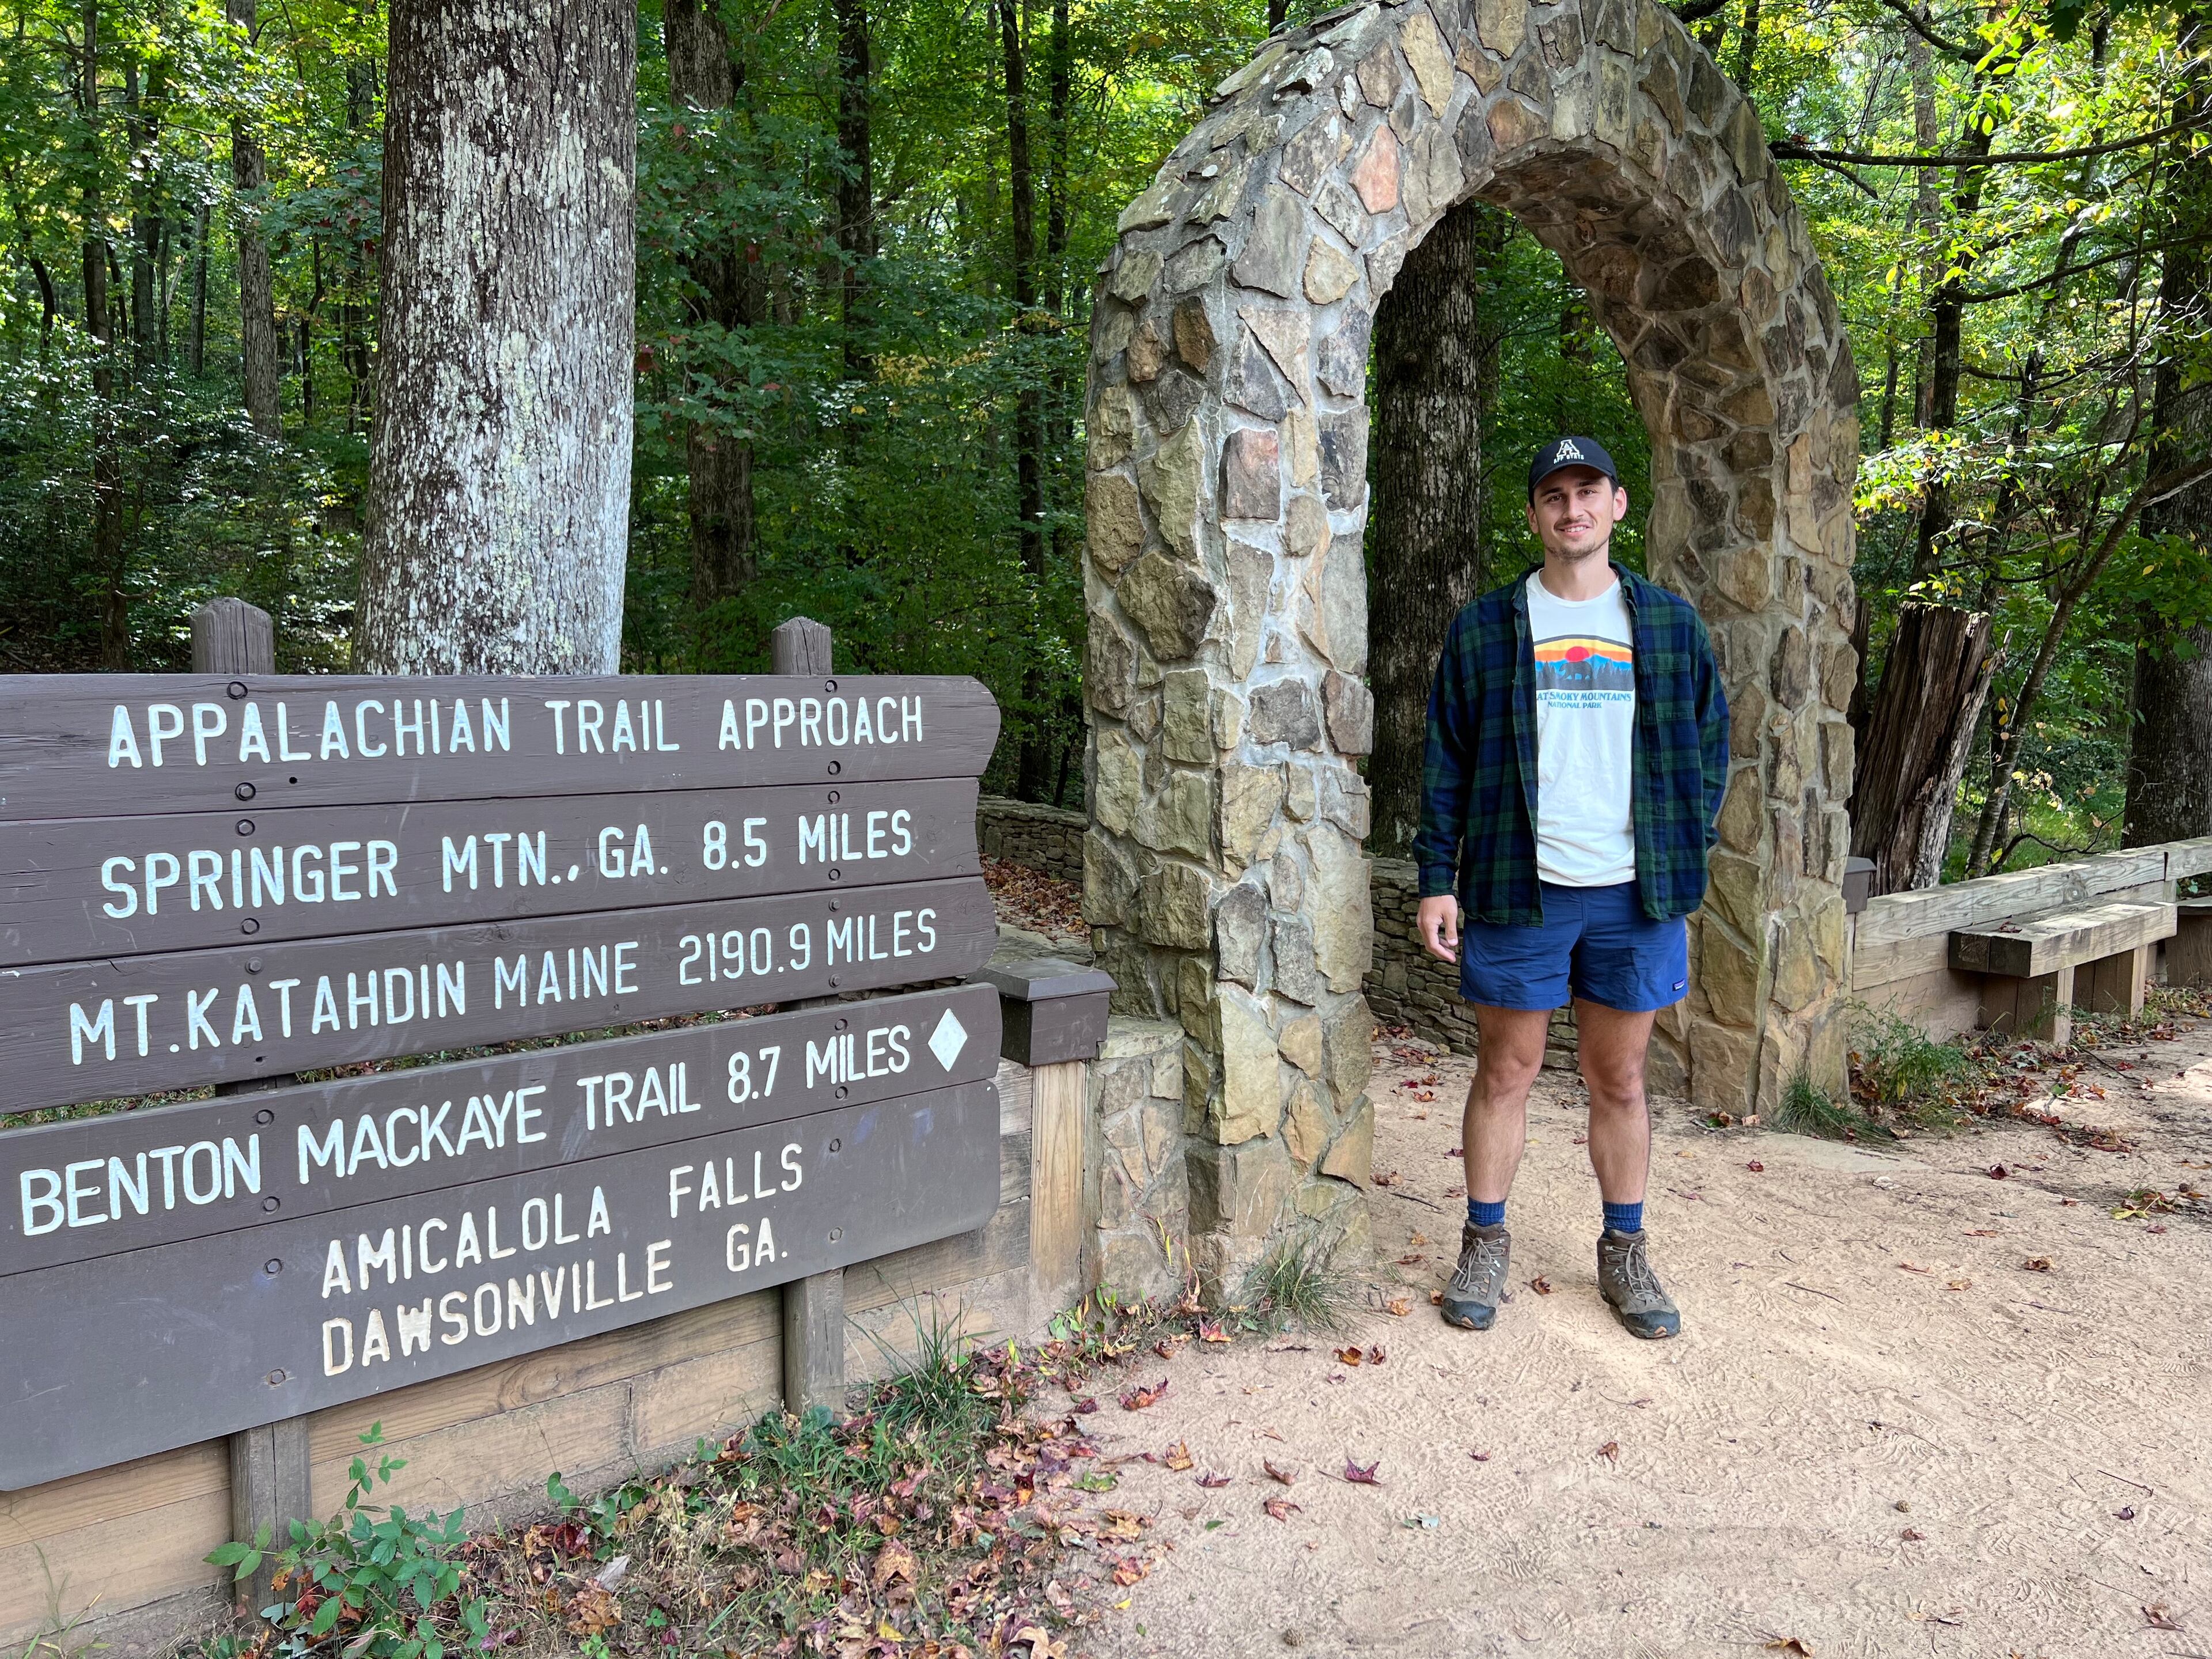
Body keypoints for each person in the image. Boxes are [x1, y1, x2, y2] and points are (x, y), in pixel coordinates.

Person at [1412, 435, 1729, 1340]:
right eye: (1554, 496)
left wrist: (1683, 842)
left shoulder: (1668, 625)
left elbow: (1712, 751)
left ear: (1617, 506)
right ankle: (1484, 1238)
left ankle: (1624, 1250)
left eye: (1588, 492)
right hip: (1522, 883)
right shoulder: (1487, 628)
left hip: (1635, 893)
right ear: (1535, 517)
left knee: (1620, 1077)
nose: (1573, 510)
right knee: (1505, 1069)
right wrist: (1440, 878)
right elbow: (1447, 763)